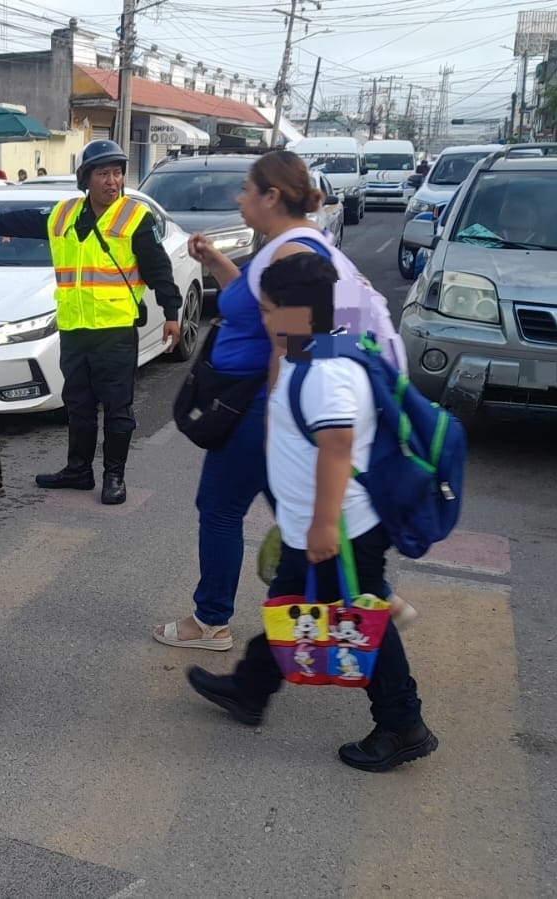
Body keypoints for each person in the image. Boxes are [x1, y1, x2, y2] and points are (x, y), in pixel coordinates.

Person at [186, 252, 437, 774]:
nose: (264, 319)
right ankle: (251, 688)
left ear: (295, 311)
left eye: (268, 309)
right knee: (291, 602)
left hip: (341, 527)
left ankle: (402, 723)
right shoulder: (317, 345)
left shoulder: (326, 370)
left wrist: (322, 523)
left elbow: (338, 446)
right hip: (319, 524)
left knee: (363, 622)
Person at [154, 150, 338, 651]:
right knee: (294, 512)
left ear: (272, 196)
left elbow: (302, 342)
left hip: (260, 405)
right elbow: (257, 306)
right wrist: (215, 260)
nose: (239, 199)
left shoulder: (292, 254)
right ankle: (360, 597)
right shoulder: (276, 247)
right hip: (259, 403)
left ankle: (210, 620)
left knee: (219, 507)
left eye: (246, 190)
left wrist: (281, 416)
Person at [0, 140, 182, 505]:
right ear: (85, 179)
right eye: (103, 173)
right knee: (77, 405)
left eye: (118, 173)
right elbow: (16, 221)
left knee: (118, 408)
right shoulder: (63, 214)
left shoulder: (134, 217)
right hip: (74, 330)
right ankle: (78, 470)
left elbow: (159, 270)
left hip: (115, 331)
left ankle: (114, 477)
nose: (112, 181)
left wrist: (172, 314)